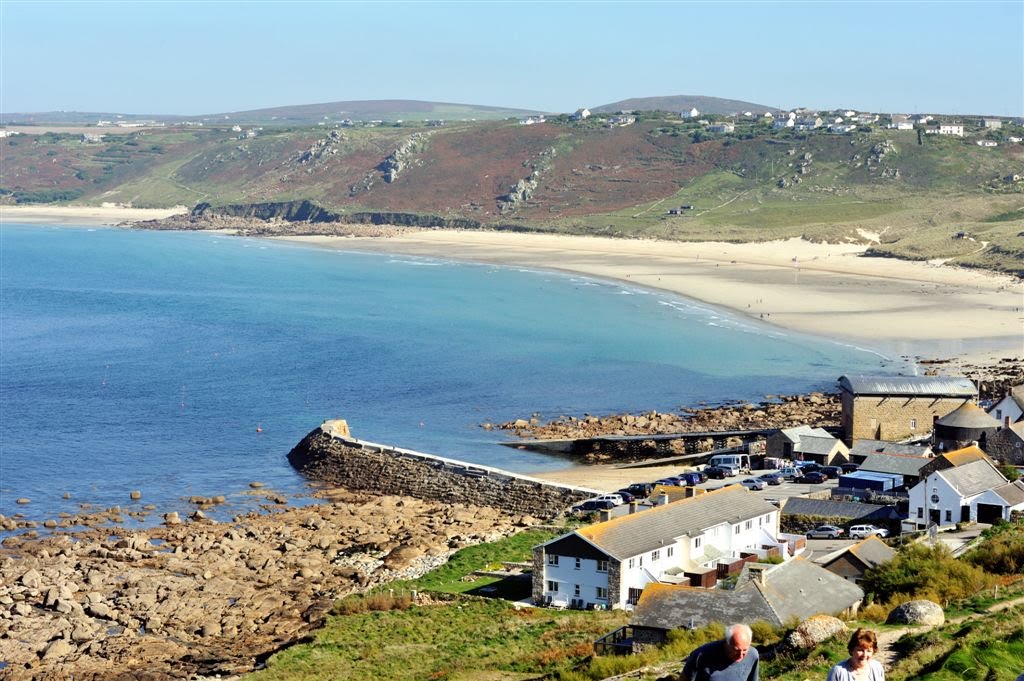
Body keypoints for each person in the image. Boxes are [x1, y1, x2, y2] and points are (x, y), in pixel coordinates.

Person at [681, 623, 759, 681]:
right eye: (736, 650)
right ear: (727, 643)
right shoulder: (701, 655)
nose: (740, 655)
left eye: (745, 650)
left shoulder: (753, 655)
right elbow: (684, 679)